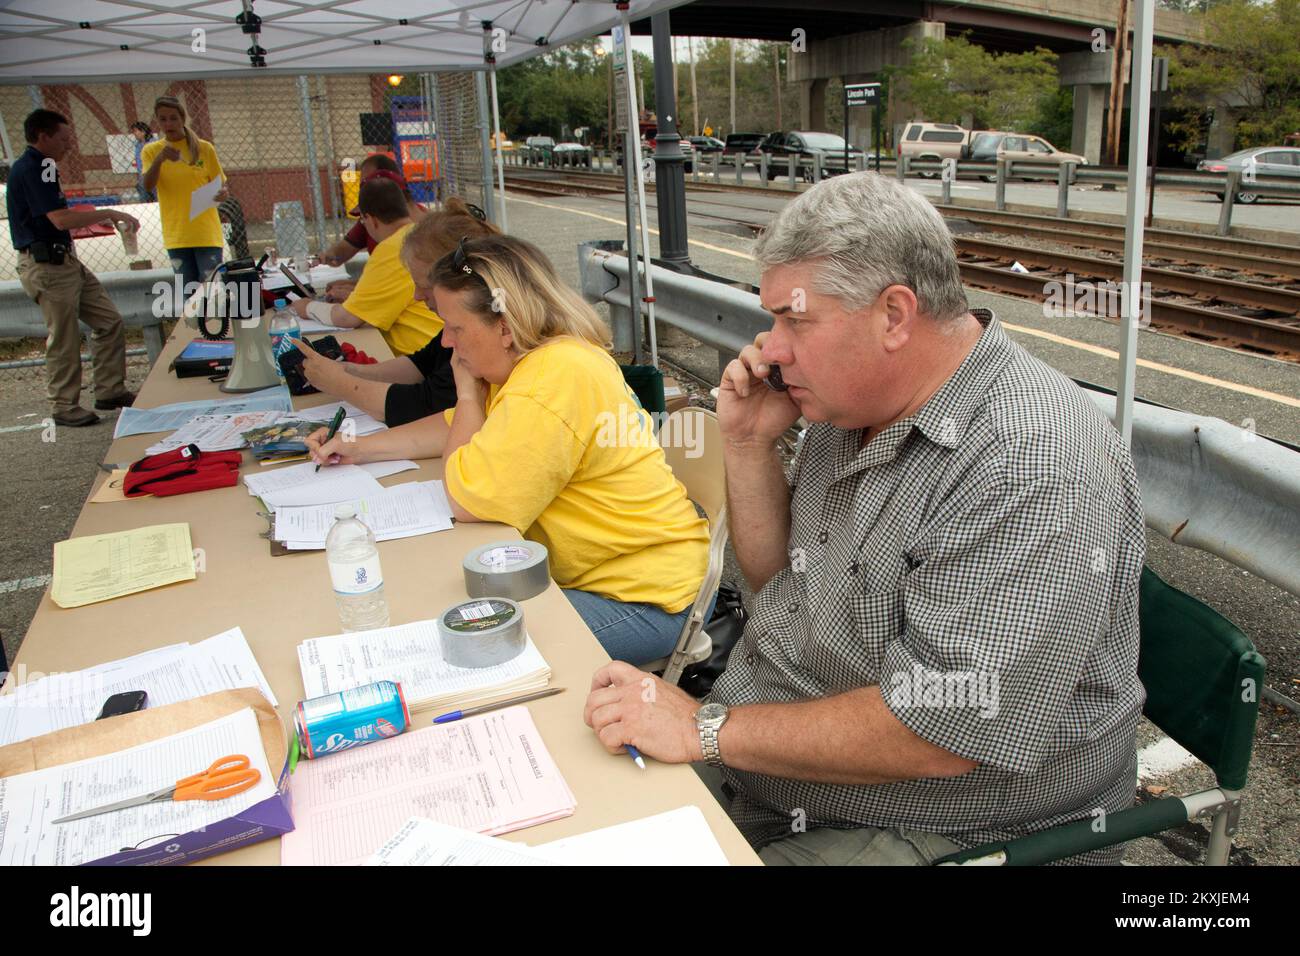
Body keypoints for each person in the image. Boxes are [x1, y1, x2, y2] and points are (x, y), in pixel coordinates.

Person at [581, 172, 1147, 866]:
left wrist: (704, 728)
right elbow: (777, 581)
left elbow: (939, 732)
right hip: (776, 770)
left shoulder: (1030, 463)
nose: (772, 348)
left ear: (894, 315)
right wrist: (749, 443)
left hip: (948, 825)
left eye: (795, 320)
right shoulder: (854, 400)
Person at [304, 235, 710, 664]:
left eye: (455, 328)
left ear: (505, 326)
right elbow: (451, 431)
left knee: (466, 648)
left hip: (642, 601)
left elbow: (470, 499)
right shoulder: (539, 361)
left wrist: (465, 396)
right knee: (453, 623)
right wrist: (356, 447)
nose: (445, 342)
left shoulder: (552, 379)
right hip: (622, 578)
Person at [292, 197, 498, 425]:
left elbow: (424, 406)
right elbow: (419, 365)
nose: (417, 296)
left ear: (458, 282)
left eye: (423, 286)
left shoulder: (482, 337)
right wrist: (344, 370)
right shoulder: (463, 325)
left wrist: (341, 384)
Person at [8, 109, 138, 426]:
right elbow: (60, 218)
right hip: (47, 265)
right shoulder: (33, 168)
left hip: (64, 260)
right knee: (64, 336)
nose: (69, 145)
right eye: (64, 139)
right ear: (43, 136)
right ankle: (64, 404)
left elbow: (56, 218)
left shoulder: (46, 168)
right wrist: (107, 212)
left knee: (108, 320)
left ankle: (110, 389)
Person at [288, 177, 439, 357]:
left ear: (370, 219)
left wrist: (306, 307)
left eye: (361, 220)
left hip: (422, 357)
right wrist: (357, 295)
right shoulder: (417, 236)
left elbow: (346, 318)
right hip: (434, 350)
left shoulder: (391, 248)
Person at [141, 96, 227, 303]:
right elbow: (147, 185)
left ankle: (219, 331)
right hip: (177, 234)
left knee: (212, 292)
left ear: (182, 119)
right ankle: (197, 333)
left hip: (205, 232)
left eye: (173, 118)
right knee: (190, 296)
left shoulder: (204, 148)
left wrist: (223, 193)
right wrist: (160, 160)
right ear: (157, 122)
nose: (168, 124)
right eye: (163, 120)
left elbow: (221, 184)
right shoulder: (151, 151)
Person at [319, 154, 427, 302]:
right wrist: (359, 287)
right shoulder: (380, 231)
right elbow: (395, 287)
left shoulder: (401, 243)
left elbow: (403, 294)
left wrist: (359, 296)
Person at [129, 121, 155, 200]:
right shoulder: (138, 145)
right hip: (142, 178)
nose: (134, 133)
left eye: (135, 131)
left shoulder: (153, 144)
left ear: (143, 132)